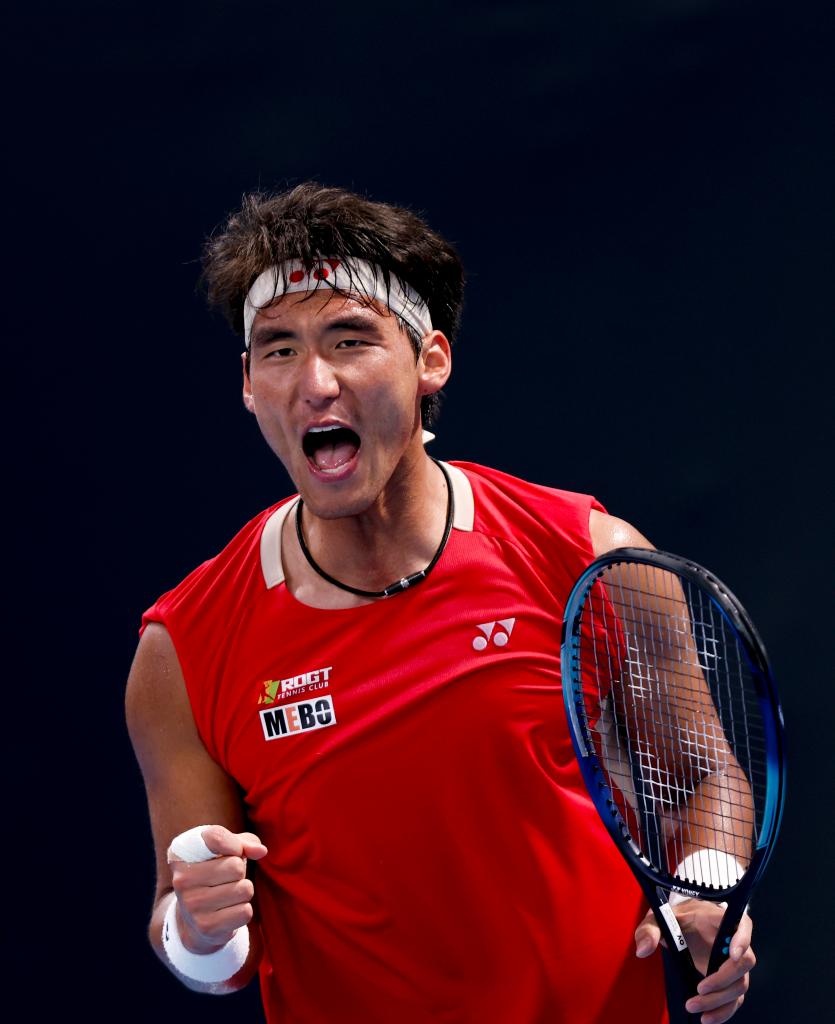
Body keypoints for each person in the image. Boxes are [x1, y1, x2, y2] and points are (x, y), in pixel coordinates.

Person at [126, 183, 757, 1024]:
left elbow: (700, 780)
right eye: (278, 350)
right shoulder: (183, 647)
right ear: (248, 383)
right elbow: (205, 954)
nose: (314, 382)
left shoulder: (589, 559)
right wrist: (201, 927)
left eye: (350, 340)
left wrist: (706, 893)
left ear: (430, 360)